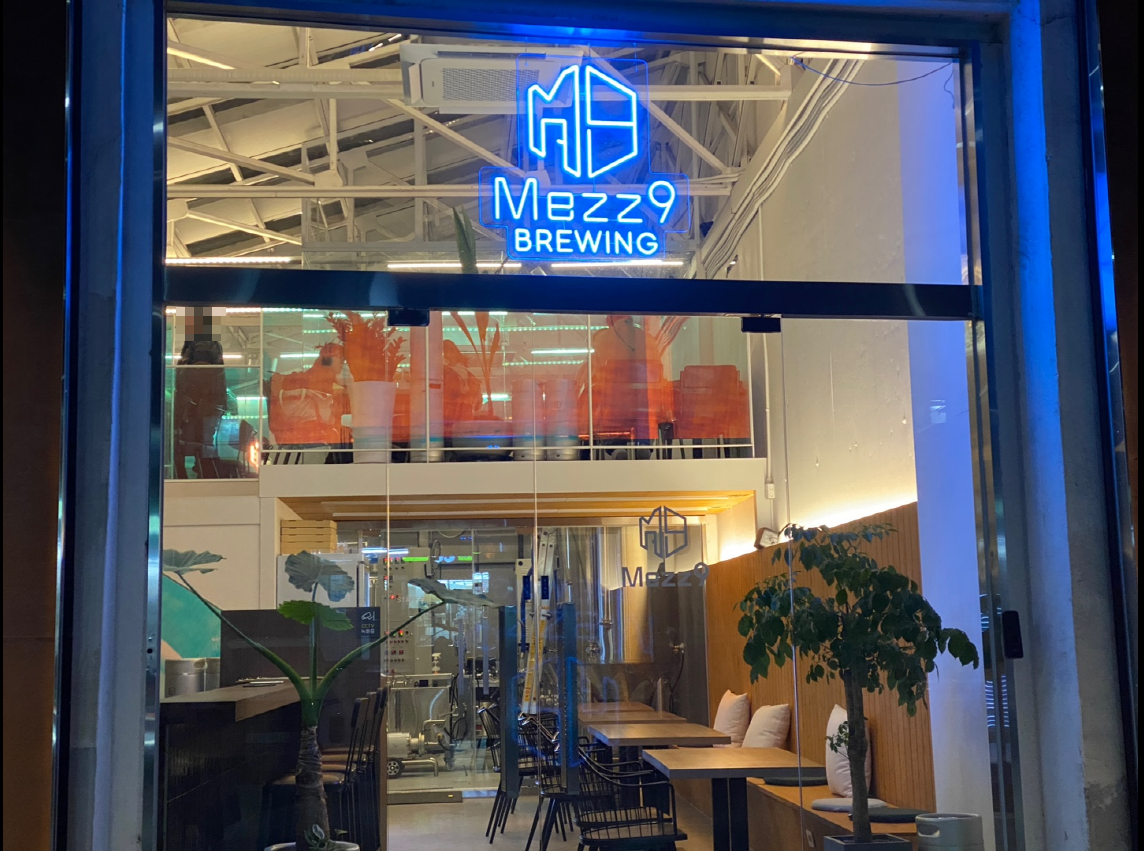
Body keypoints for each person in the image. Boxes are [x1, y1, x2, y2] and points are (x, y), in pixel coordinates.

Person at [173, 313, 228, 478]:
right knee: (204, 442)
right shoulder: (214, 347)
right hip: (207, 404)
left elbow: (186, 376)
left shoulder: (196, 347)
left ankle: (186, 475)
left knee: (184, 443)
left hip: (197, 403)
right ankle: (207, 473)